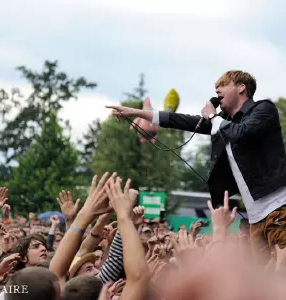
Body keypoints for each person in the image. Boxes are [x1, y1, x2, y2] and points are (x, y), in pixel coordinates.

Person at [106, 70, 286, 262]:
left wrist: (212, 117)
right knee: (263, 281)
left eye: (223, 85)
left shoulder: (263, 109)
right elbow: (183, 121)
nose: (217, 89)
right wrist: (137, 112)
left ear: (242, 87)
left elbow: (242, 132)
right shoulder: (224, 121)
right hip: (254, 218)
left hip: (279, 206)